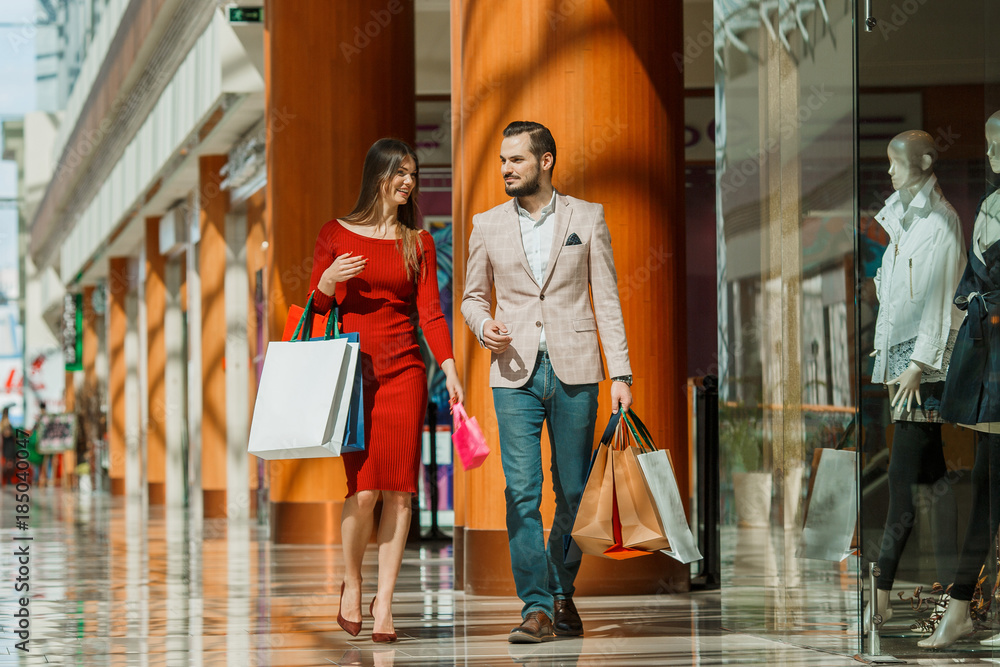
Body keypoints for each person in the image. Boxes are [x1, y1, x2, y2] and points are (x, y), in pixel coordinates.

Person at [461, 121, 633, 643]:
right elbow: (471, 296)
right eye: (502, 161)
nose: (506, 169)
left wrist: (621, 372)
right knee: (521, 492)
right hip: (512, 373)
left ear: (546, 161)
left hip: (577, 367)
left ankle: (562, 591)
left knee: (575, 490)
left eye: (516, 160)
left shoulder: (588, 216)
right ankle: (536, 607)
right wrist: (481, 323)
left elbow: (606, 297)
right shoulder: (486, 224)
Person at [308, 138, 463, 644]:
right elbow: (314, 309)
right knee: (364, 489)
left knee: (400, 493)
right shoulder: (334, 233)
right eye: (400, 173)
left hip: (405, 375)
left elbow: (432, 315)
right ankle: (352, 582)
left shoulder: (417, 241)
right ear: (377, 175)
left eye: (413, 175)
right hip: (354, 376)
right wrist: (329, 280)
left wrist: (451, 368)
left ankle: (385, 605)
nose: (408, 183)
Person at [865, 130, 965, 633]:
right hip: (900, 367)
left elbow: (941, 302)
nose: (889, 171)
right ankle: (955, 591)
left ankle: (881, 592)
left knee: (904, 484)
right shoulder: (903, 220)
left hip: (920, 373)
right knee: (930, 477)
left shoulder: (941, 224)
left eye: (895, 162)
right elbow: (897, 296)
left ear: (924, 162)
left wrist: (919, 365)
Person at [920, 110, 1000, 650]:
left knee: (990, 491)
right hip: (990, 364)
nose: (993, 156)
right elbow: (972, 283)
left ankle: (959, 609)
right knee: (986, 490)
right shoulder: (991, 208)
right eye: (991, 146)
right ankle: (958, 608)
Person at [1, 407, 16, 486]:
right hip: (7, 446)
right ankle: (7, 479)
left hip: (9, 446)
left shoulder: (6, 423)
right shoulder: (4, 423)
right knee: (7, 464)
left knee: (10, 464)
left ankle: (8, 479)